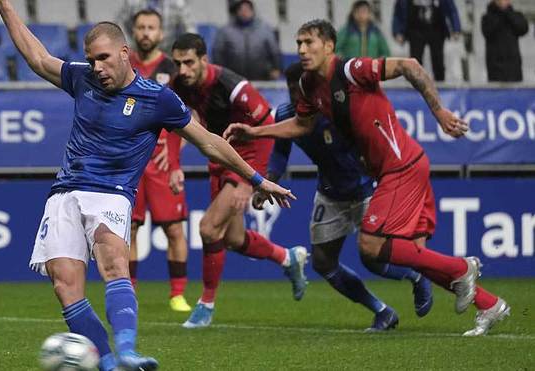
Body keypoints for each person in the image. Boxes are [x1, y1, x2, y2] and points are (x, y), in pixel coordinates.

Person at [0, 1, 295, 370]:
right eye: (91, 59)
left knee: (113, 261)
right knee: (64, 284)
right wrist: (5, 7)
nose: (97, 67)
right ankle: (107, 364)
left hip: (112, 194)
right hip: (65, 192)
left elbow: (209, 142)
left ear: (124, 53)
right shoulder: (83, 77)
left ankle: (129, 351)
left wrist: (259, 179)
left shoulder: (158, 98)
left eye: (103, 58)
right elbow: (39, 59)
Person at [224, 19, 510, 337]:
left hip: (401, 166)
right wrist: (254, 131)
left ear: (329, 46)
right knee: (407, 252)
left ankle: (462, 268)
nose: (302, 49)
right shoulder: (307, 85)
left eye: (309, 42)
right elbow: (301, 126)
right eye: (299, 43)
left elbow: (410, 65)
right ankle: (488, 303)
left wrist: (439, 111)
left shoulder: (351, 70)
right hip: (386, 172)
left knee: (372, 246)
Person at [255, 62, 432, 332]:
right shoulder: (286, 115)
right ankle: (381, 311)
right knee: (323, 262)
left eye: (300, 89)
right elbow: (280, 155)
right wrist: (268, 183)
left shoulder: (334, 110)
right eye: (291, 90)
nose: (296, 96)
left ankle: (416, 275)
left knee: (372, 258)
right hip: (330, 193)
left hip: (365, 188)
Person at [170, 33, 308, 329]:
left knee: (208, 228)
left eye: (189, 62)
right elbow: (169, 121)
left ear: (204, 60)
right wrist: (173, 165)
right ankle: (288, 258)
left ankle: (205, 305)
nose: (183, 70)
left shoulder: (233, 87)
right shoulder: (179, 84)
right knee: (232, 238)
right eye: (178, 63)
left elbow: (267, 123)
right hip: (219, 155)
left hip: (245, 157)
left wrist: (251, 179)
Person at [128, 8, 191, 312]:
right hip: (130, 161)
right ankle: (130, 292)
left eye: (151, 27)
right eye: (141, 27)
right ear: (134, 31)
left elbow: (186, 119)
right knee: (129, 228)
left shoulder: (173, 69)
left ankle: (177, 294)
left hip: (163, 163)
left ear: (161, 33)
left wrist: (176, 162)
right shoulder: (122, 64)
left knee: (175, 229)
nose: (146, 33)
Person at [212, 0, 281, 80]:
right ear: (236, 11)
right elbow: (217, 52)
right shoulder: (225, 31)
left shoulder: (265, 29)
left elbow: (274, 51)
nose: (244, 12)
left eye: (247, 9)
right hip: (233, 80)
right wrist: (220, 72)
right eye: (241, 9)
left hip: (262, 79)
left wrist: (276, 68)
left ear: (252, 11)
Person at [392, 0, 461, 81]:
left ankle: (440, 85)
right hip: (415, 30)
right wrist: (397, 31)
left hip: (436, 29)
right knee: (415, 61)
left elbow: (451, 9)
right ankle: (415, 85)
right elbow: (398, 11)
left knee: (438, 61)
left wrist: (456, 28)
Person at [116, 0, 196, 53]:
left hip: (168, 51)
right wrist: (128, 45)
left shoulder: (177, 3)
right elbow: (119, 24)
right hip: (138, 50)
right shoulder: (132, 2)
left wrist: (185, 49)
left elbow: (189, 28)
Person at [481, 0, 529, 82]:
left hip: (513, 65)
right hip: (495, 65)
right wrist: (500, 13)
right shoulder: (487, 17)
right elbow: (488, 32)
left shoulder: (516, 15)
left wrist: (507, 13)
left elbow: (523, 29)